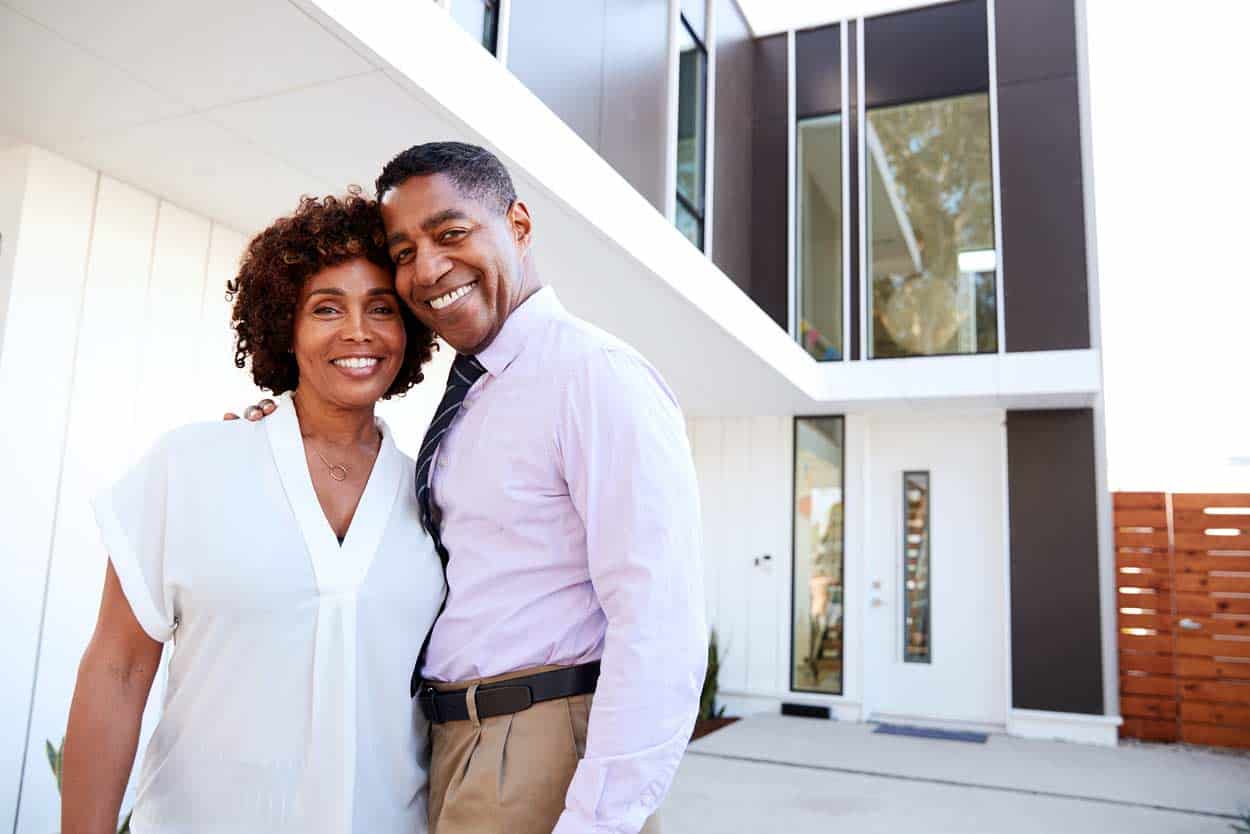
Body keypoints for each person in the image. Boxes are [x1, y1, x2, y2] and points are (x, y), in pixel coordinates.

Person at [242, 142, 708, 834]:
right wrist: (283, 434)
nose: (427, 269)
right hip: (458, 747)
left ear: (518, 225)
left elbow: (660, 620)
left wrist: (597, 822)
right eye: (403, 252)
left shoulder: (593, 376)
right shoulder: (480, 390)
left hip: (538, 748)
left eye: (451, 233)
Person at [62, 192, 443, 834]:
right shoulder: (194, 463)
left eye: (381, 308)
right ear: (283, 327)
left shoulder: (434, 495)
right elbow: (119, 668)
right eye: (327, 308)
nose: (358, 332)